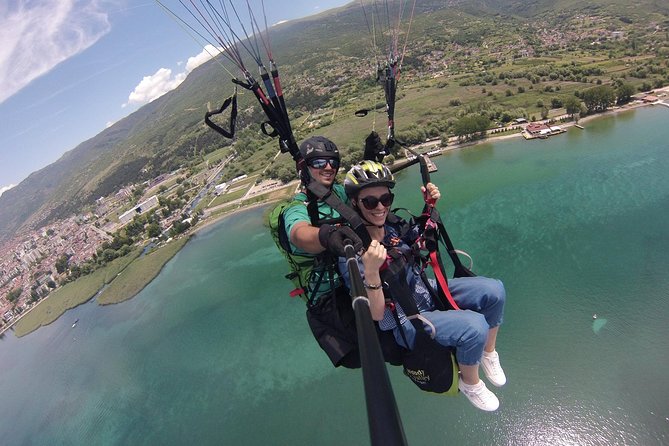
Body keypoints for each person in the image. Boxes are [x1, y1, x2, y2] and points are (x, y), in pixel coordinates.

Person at [338, 160, 507, 411]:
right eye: (370, 202)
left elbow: (416, 237)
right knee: (475, 327)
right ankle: (471, 383)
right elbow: (374, 314)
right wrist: (372, 272)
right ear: (354, 203)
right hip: (404, 318)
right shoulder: (351, 251)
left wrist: (429, 207)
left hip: (423, 289)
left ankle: (487, 353)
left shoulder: (392, 225)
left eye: (386, 198)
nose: (380, 207)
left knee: (494, 291)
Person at [280, 135, 364, 368]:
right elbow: (298, 233)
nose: (328, 167)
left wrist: (370, 159)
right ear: (305, 167)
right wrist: (325, 236)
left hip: (358, 280)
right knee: (367, 354)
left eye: (332, 162)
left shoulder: (340, 193)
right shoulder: (298, 206)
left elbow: (366, 197)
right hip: (330, 295)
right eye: (318, 162)